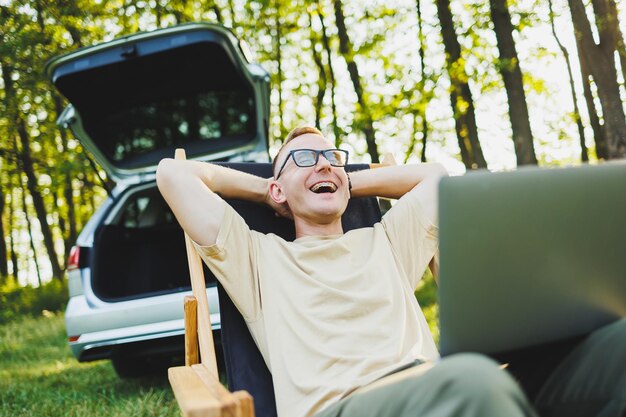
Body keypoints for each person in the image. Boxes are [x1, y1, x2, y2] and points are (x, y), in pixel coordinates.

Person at [157, 126, 625, 417]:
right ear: (278, 189)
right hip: (348, 407)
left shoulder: (386, 240)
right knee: (473, 382)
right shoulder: (257, 259)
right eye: (303, 158)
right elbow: (173, 176)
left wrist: (340, 177)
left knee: (616, 348)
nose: (322, 163)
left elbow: (436, 176)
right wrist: (268, 189)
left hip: (444, 395)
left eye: (330, 157)